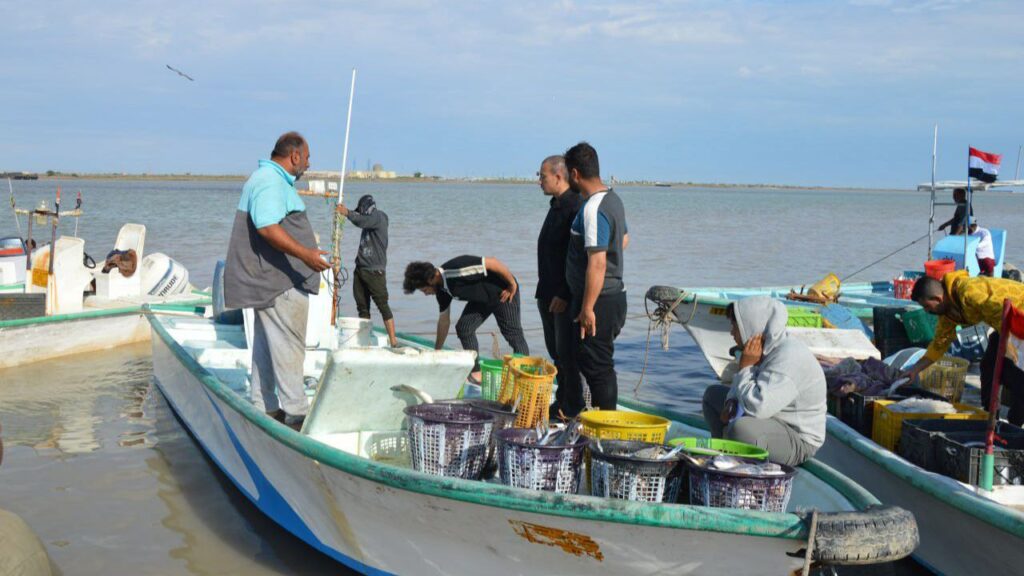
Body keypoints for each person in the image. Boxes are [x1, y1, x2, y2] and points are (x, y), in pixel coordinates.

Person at [224, 132, 330, 430]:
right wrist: (306, 254)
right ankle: (296, 414)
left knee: (267, 348)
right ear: (294, 156)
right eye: (307, 157)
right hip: (278, 283)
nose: (308, 164)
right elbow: (267, 227)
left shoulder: (264, 178)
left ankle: (266, 409)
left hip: (267, 283)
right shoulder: (270, 181)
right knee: (289, 347)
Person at [701, 297, 827, 466]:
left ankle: (743, 468)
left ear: (751, 326)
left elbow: (759, 408)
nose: (732, 333)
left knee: (740, 429)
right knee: (712, 396)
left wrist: (745, 368)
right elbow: (743, 392)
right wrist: (730, 404)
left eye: (735, 326)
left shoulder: (789, 356)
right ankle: (722, 457)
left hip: (798, 438)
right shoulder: (763, 350)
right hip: (771, 418)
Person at [904, 273, 1024, 425]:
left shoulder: (969, 292)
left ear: (938, 298)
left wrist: (1009, 348)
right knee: (988, 365)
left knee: (1014, 374)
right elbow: (939, 344)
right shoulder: (948, 313)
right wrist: (914, 370)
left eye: (927, 306)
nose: (927, 311)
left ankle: (1014, 426)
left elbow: (998, 309)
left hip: (1018, 320)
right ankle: (991, 417)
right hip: (1005, 326)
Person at [564, 142, 628, 411]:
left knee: (597, 366)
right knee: (597, 361)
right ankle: (603, 421)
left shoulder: (593, 209)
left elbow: (598, 262)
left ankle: (607, 427)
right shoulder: (614, 199)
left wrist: (588, 307)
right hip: (613, 296)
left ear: (575, 174)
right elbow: (623, 239)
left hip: (599, 300)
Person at [403, 256, 529, 380]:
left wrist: (511, 283)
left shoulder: (456, 270)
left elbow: (492, 263)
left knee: (513, 335)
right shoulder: (441, 291)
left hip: (503, 291)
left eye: (424, 290)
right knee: (464, 328)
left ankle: (525, 376)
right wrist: (437, 352)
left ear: (431, 280)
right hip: (482, 299)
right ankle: (476, 373)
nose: (426, 294)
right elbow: (444, 322)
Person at [536, 155, 584, 418]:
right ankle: (562, 399)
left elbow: (575, 256)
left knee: (567, 353)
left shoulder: (575, 206)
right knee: (556, 352)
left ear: (558, 176)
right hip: (546, 291)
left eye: (542, 176)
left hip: (562, 295)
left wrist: (564, 293)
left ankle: (573, 404)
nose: (539, 182)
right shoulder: (556, 204)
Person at [337, 194, 398, 347]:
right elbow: (360, 218)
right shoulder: (367, 219)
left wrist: (347, 213)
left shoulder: (379, 217)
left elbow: (361, 220)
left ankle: (394, 342)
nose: (361, 213)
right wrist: (346, 211)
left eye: (361, 210)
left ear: (367, 207)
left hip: (375, 272)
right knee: (362, 307)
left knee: (383, 306)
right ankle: (365, 342)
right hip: (360, 271)